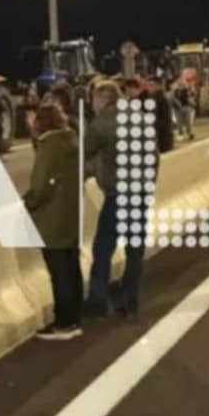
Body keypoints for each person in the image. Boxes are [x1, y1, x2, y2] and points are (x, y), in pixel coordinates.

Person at [84, 80, 149, 320]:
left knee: (103, 248)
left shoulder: (100, 125)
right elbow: (153, 157)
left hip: (117, 195)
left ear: (101, 100)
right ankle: (130, 300)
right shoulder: (140, 118)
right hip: (139, 192)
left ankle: (97, 300)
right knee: (135, 250)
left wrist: (92, 170)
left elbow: (83, 156)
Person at [25, 103, 83, 340]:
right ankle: (76, 315)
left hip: (52, 218)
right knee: (71, 267)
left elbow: (39, 188)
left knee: (58, 273)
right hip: (71, 214)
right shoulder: (71, 141)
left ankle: (64, 323)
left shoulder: (49, 147)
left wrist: (26, 204)